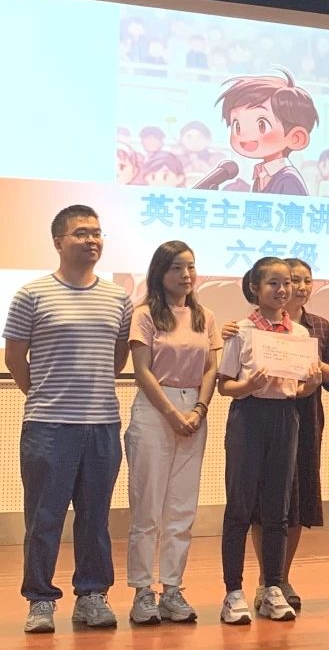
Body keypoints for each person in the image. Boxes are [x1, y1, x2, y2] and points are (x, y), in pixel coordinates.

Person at [4, 205, 133, 633]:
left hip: (102, 425)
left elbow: (116, 360)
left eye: (97, 232)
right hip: (48, 427)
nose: (92, 240)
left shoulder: (118, 298)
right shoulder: (32, 294)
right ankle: (40, 600)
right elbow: (14, 357)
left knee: (95, 517)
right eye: (81, 233)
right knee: (44, 518)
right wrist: (45, 396)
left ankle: (92, 596)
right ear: (59, 242)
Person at [217, 257, 323, 625]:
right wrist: (247, 385)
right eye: (273, 283)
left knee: (279, 507)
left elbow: (302, 388)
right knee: (240, 506)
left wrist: (311, 382)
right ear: (255, 288)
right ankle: (233, 591)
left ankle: (273, 587)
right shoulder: (241, 331)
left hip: (286, 417)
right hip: (248, 418)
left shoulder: (300, 335)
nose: (282, 290)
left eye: (287, 283)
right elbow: (225, 386)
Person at [126, 241, 221, 625]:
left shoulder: (205, 315)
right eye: (177, 268)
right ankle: (142, 591)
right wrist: (172, 414)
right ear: (160, 272)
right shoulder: (145, 314)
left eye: (191, 267)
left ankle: (172, 589)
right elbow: (142, 371)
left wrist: (198, 409)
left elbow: (211, 369)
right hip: (155, 409)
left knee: (182, 509)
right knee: (147, 508)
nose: (186, 275)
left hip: (194, 410)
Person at [247, 259, 329, 612]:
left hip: (306, 417)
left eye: (306, 281)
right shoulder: (254, 326)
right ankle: (265, 579)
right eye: (292, 280)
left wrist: (322, 370)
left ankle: (282, 577)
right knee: (265, 499)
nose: (299, 287)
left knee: (297, 497)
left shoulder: (318, 326)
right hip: (265, 417)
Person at [216, 70, 318, 195]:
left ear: (296, 138)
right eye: (237, 126)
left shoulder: (288, 180)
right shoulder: (261, 175)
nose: (246, 135)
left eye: (262, 125)